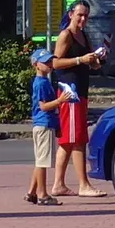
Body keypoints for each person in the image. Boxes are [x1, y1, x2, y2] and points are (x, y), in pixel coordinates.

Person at [49, 0, 107, 197]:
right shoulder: (66, 35)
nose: (83, 19)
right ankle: (83, 184)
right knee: (77, 139)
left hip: (80, 92)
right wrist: (79, 60)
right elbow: (55, 63)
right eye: (80, 15)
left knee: (67, 140)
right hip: (70, 93)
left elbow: (89, 61)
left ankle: (58, 184)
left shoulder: (84, 35)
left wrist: (95, 61)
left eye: (86, 16)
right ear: (71, 14)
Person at [26, 48, 71, 206]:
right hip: (43, 123)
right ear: (36, 65)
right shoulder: (41, 83)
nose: (49, 64)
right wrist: (60, 100)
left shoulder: (44, 82)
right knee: (43, 162)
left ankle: (32, 192)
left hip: (45, 123)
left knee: (41, 159)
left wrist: (57, 125)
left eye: (50, 61)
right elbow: (44, 106)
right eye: (45, 62)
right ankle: (42, 194)